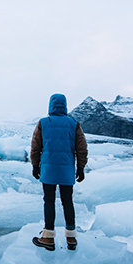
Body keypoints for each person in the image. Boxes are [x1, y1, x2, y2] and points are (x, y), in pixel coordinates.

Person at [30, 93, 88, 251]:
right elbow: (81, 148)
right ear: (65, 106)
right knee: (67, 201)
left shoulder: (43, 122)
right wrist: (81, 167)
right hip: (66, 170)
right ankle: (71, 238)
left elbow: (36, 146)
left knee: (49, 201)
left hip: (48, 169)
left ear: (50, 105)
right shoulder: (73, 123)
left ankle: (48, 238)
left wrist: (35, 165)